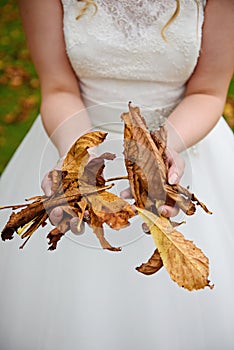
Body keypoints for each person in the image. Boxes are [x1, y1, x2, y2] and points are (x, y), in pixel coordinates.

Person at [0, 0, 234, 349]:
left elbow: (209, 91)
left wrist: (161, 151)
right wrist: (77, 156)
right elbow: (58, 87)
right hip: (77, 131)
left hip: (180, 139)